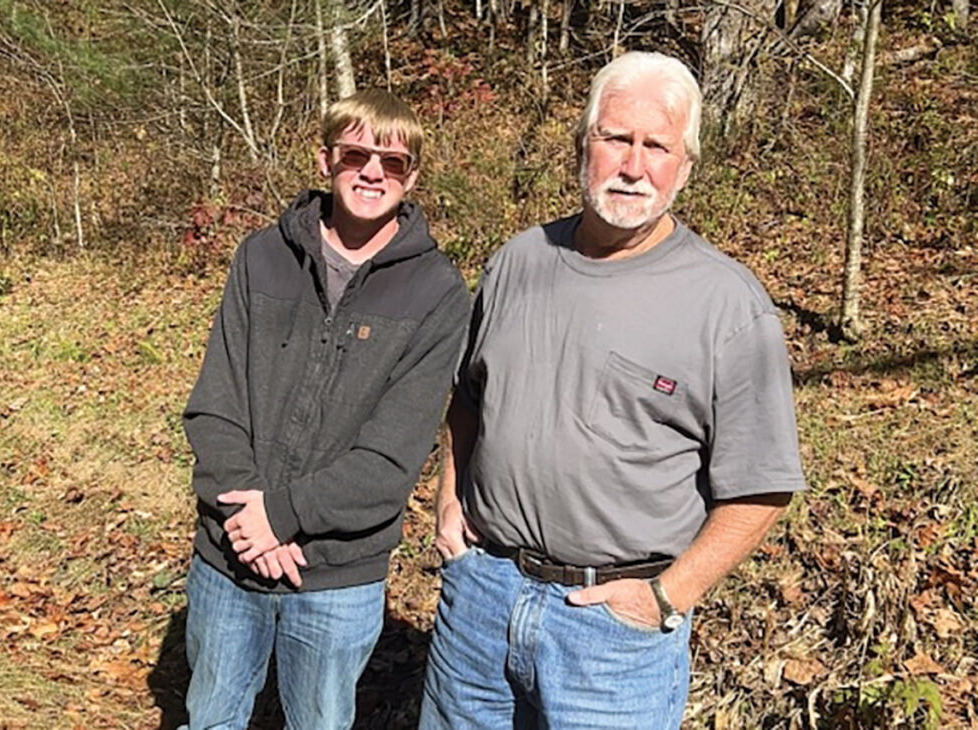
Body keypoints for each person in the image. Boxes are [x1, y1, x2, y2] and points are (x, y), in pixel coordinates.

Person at [420, 51, 807, 729]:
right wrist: (449, 498)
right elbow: (468, 396)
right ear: (582, 146)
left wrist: (666, 596)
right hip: (482, 597)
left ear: (684, 167)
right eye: (616, 139)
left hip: (614, 636)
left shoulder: (725, 303)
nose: (633, 165)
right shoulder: (519, 261)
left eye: (657, 146)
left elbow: (762, 486)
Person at [180, 89, 469, 730]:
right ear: (325, 159)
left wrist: (279, 516)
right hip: (229, 552)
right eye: (355, 154)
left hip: (338, 575)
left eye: (392, 162)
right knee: (212, 718)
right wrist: (247, 518)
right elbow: (214, 406)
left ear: (412, 176)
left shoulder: (437, 293)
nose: (372, 172)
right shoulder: (261, 257)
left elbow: (391, 459)